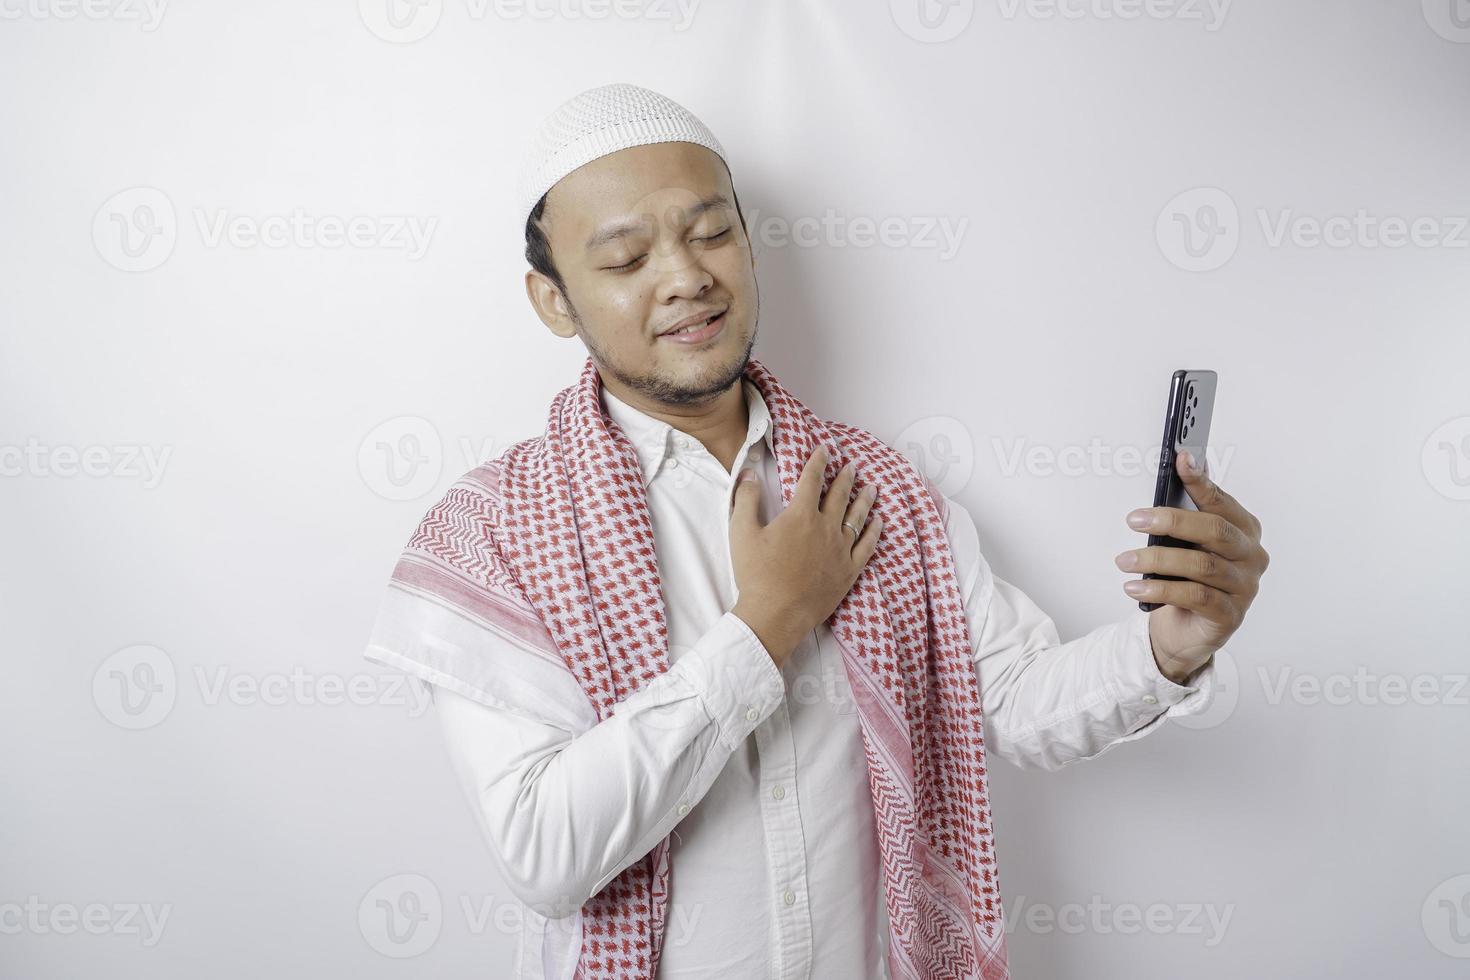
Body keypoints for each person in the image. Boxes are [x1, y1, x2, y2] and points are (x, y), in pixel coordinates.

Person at [362, 82, 1270, 980]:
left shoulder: (876, 489)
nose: (686, 277)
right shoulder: (494, 534)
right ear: (554, 301)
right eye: (627, 257)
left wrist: (1170, 646)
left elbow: (1020, 702)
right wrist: (768, 622)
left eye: (712, 233)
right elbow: (545, 853)